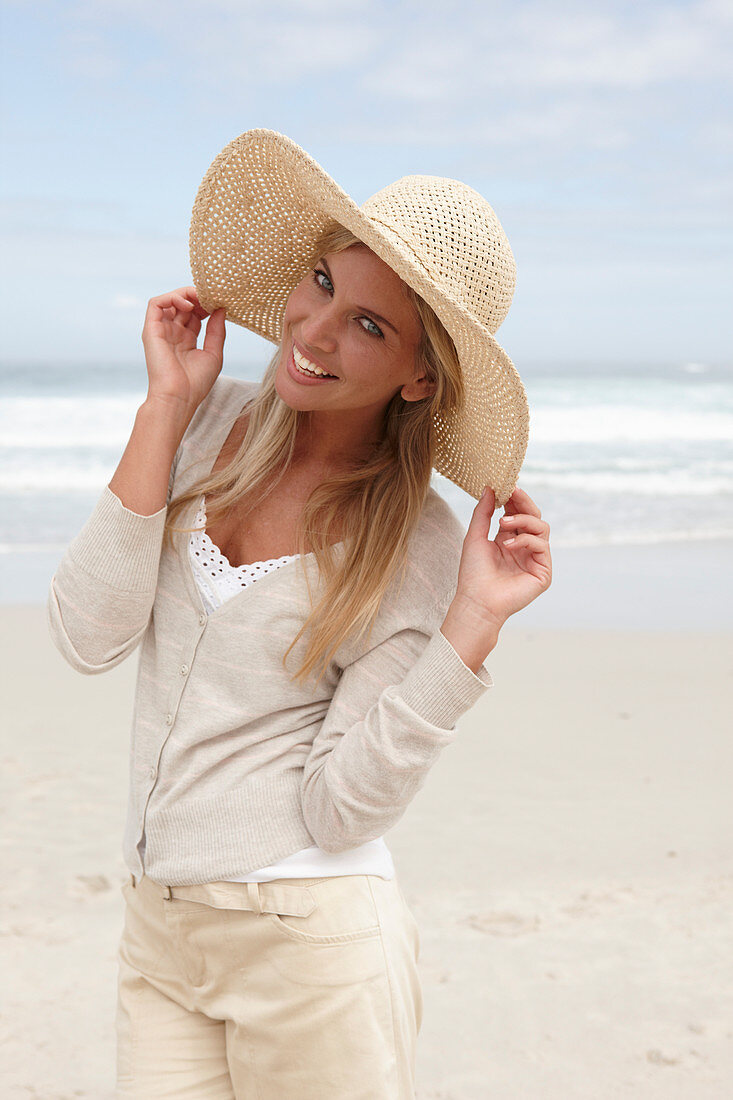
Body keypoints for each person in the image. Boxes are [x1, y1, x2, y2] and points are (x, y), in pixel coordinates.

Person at [47, 129, 552, 1099]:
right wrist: (163, 406)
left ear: (417, 376)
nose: (314, 330)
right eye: (321, 281)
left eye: (368, 325)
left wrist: (468, 630)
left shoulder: (419, 549)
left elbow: (338, 805)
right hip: (159, 935)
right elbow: (87, 631)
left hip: (309, 951)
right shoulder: (203, 422)